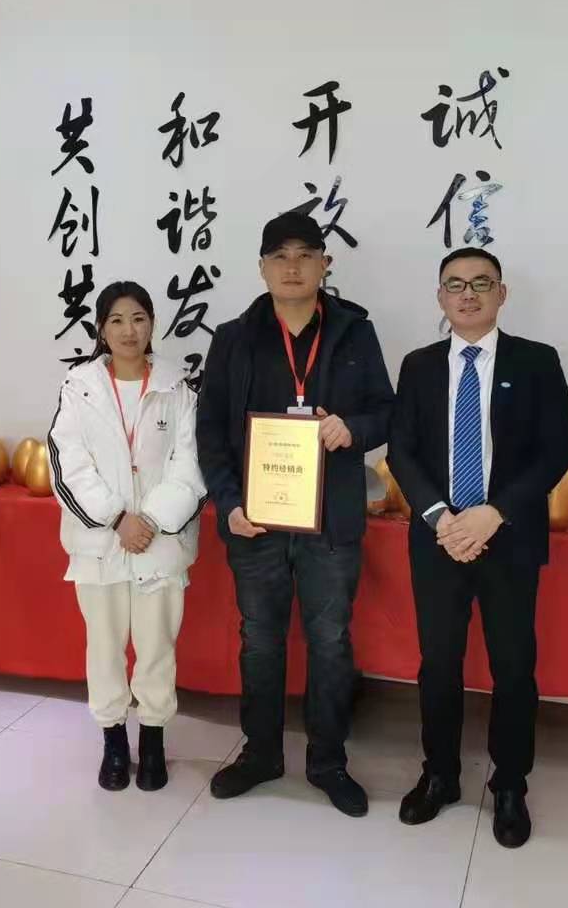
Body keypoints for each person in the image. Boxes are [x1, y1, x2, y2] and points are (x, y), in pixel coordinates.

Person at [196, 212, 394, 817]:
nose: (292, 266)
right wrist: (228, 503)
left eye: (305, 254)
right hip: (254, 522)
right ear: (261, 267)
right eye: (279, 256)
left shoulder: (355, 332)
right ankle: (261, 753)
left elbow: (387, 412)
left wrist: (352, 428)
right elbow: (210, 431)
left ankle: (328, 761)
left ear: (324, 265)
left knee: (330, 642)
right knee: (260, 640)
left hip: (330, 523)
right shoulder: (233, 338)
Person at [388, 247, 568, 849]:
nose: (467, 294)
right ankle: (440, 775)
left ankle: (510, 783)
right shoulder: (418, 365)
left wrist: (493, 514)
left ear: (502, 293)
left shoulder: (537, 361)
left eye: (481, 283)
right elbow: (401, 451)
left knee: (513, 667)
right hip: (439, 539)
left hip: (508, 537)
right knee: (438, 664)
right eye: (455, 285)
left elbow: (556, 450)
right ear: (440, 297)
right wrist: (441, 518)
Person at [47, 280, 207, 793]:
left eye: (138, 318)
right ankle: (114, 742)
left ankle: (153, 741)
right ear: (101, 329)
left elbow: (191, 464)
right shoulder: (80, 387)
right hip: (102, 545)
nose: (128, 330)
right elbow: (67, 464)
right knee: (104, 647)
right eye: (116, 320)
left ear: (152, 324)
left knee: (157, 646)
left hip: (159, 544)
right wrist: (118, 520)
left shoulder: (178, 389)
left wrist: (151, 521)